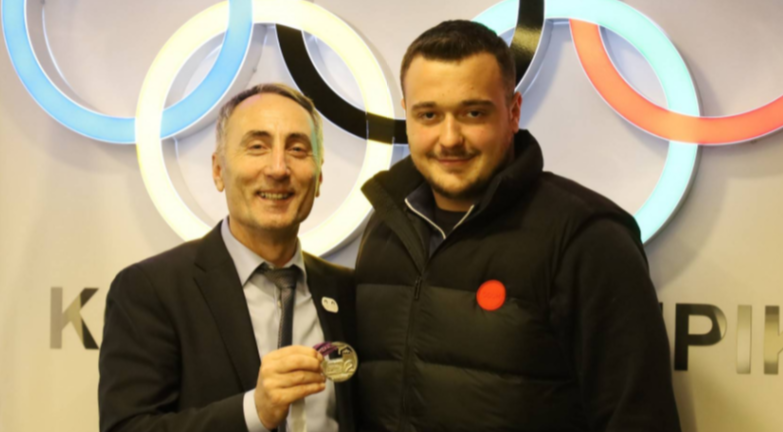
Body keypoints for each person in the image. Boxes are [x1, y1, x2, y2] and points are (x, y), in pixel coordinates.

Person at [354, 20, 681, 432]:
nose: (449, 138)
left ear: (512, 112)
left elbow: (639, 418)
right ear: (407, 116)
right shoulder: (384, 226)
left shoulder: (586, 236)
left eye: (473, 113)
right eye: (429, 115)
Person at [99, 84, 356, 432]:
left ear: (319, 177)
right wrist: (253, 412)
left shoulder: (348, 292)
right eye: (257, 147)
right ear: (218, 170)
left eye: (297, 149)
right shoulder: (151, 290)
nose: (278, 168)